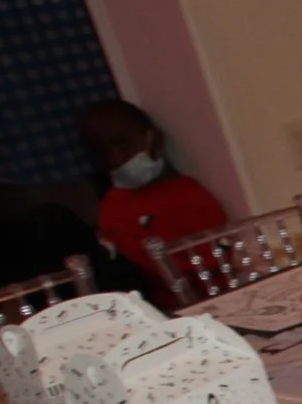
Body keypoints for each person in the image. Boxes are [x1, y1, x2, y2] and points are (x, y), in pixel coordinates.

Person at [80, 98, 226, 292]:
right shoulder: (113, 209)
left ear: (155, 139)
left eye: (122, 143)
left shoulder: (189, 191)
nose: (115, 159)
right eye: (101, 152)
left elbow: (220, 252)